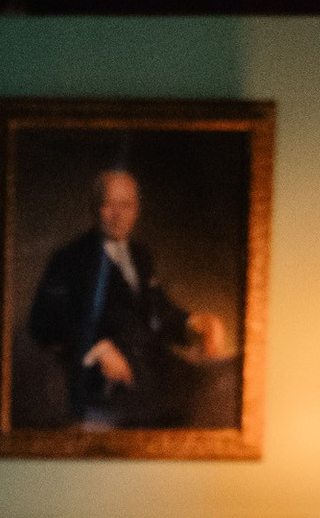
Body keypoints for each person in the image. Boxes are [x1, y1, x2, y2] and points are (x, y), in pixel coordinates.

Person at [24, 163, 231, 430]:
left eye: (127, 206)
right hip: (105, 384)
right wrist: (96, 348)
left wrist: (193, 322)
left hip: (153, 368)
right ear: (94, 207)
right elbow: (42, 323)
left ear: (137, 209)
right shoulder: (70, 258)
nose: (118, 215)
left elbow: (157, 308)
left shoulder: (140, 255)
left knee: (219, 384)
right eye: (109, 205)